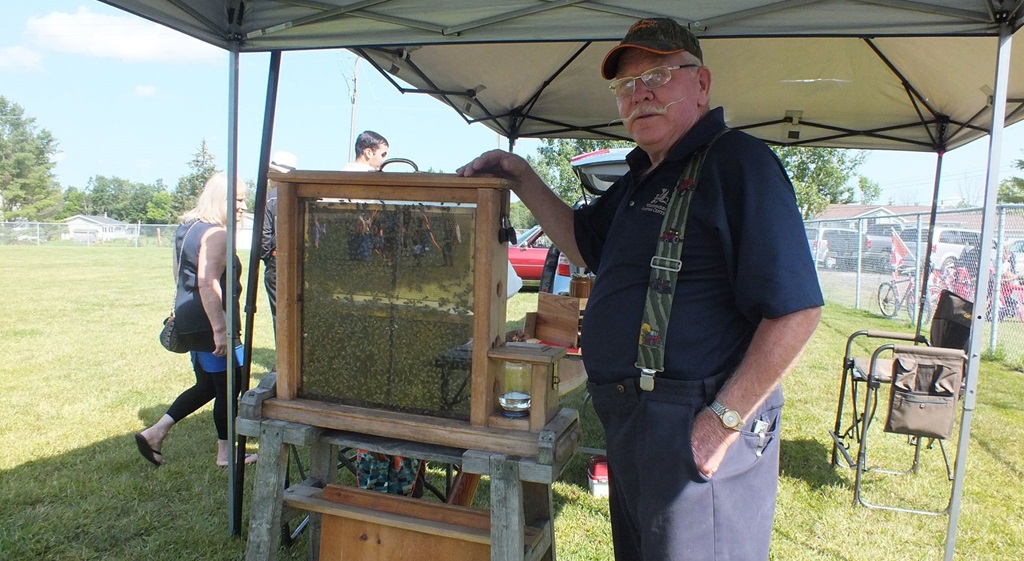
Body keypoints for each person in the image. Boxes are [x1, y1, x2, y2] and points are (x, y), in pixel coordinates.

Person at [459, 18, 823, 561]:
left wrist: (721, 422)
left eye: (658, 74)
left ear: (701, 84)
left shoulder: (737, 164)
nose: (640, 93)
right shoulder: (641, 177)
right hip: (635, 423)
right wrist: (520, 175)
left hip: (692, 420)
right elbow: (585, 244)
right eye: (626, 85)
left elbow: (797, 311)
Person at [135, 172, 256, 468]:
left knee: (208, 385)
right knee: (231, 385)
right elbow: (207, 282)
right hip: (211, 322)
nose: (242, 206)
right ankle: (226, 454)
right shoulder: (216, 233)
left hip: (191, 318)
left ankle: (155, 433)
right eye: (238, 199)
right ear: (221, 198)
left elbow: (178, 275)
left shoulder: (187, 228)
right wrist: (220, 330)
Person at [261, 150, 298, 340]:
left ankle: (282, 359)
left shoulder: (268, 198)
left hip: (277, 261)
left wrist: (268, 257)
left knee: (279, 312)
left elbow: (264, 236)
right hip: (301, 262)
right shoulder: (303, 195)